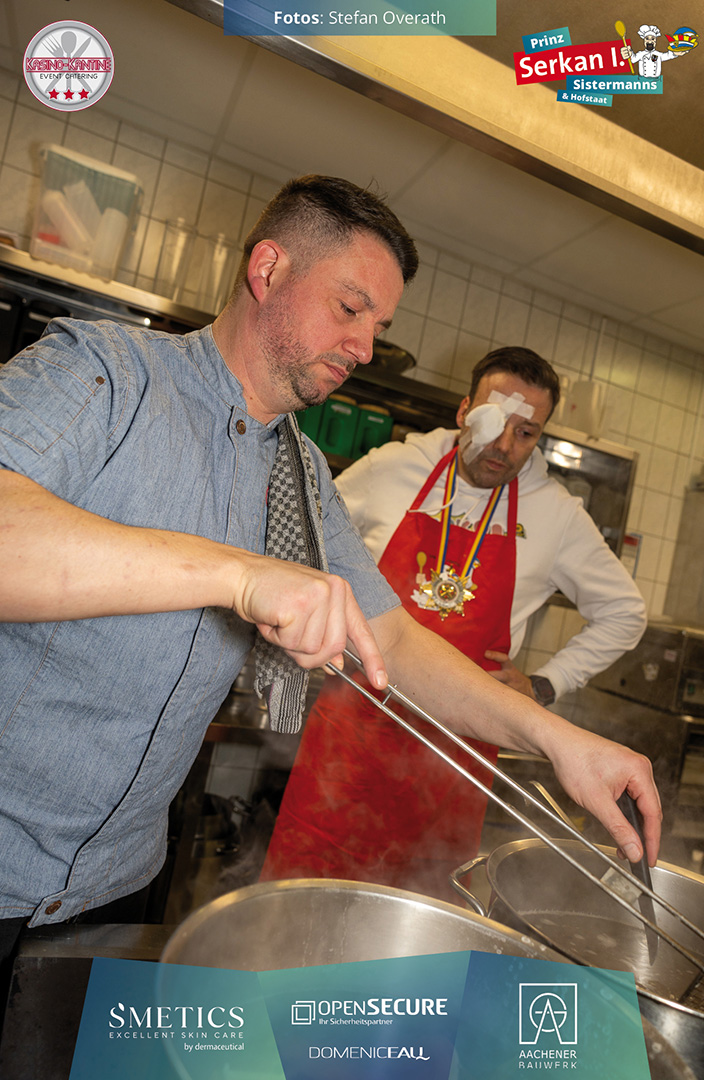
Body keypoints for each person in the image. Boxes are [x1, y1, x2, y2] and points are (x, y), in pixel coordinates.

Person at [0, 176, 659, 957]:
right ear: (268, 269)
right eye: (350, 309)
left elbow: (396, 642)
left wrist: (556, 737)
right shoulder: (104, 372)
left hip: (111, 890)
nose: (365, 348)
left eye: (378, 326)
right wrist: (242, 574)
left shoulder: (301, 476)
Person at [261, 347, 648, 899]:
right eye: (494, 421)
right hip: (352, 738)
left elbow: (625, 613)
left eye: (527, 433)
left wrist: (545, 684)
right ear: (465, 409)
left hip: (455, 755)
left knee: (422, 914)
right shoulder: (394, 467)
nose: (505, 446)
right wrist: (317, 617)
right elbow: (299, 533)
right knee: (300, 899)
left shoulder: (557, 515)